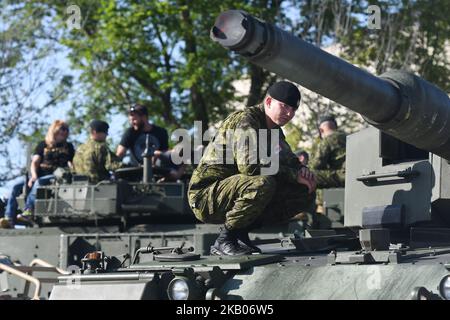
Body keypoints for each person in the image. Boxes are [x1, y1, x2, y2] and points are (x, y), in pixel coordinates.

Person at [188, 81, 316, 256]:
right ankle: (225, 239)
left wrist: (302, 171)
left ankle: (240, 232)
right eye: (285, 106)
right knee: (262, 183)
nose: (289, 113)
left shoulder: (274, 131)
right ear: (269, 102)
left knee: (304, 191)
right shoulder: (246, 120)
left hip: (235, 191)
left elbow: (288, 159)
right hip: (205, 195)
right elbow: (251, 167)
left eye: (293, 110)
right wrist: (293, 175)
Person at [0, 120, 74, 228]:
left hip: (56, 176)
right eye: (61, 129)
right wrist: (33, 176)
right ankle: (9, 218)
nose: (64, 132)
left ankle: (28, 210)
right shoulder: (43, 145)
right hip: (39, 174)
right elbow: (35, 162)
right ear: (54, 130)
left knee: (39, 183)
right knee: (16, 187)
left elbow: (72, 163)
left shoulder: (69, 147)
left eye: (66, 130)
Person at [116, 104, 182, 181]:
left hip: (157, 170)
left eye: (134, 120)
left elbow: (164, 153)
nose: (132, 123)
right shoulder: (130, 132)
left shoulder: (160, 132)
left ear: (144, 117)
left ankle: (166, 179)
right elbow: (120, 153)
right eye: (130, 120)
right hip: (136, 171)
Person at [309, 115, 346, 188]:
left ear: (321, 130)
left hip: (343, 176)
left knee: (309, 174)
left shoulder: (327, 141)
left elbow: (316, 165)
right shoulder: (347, 136)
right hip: (356, 173)